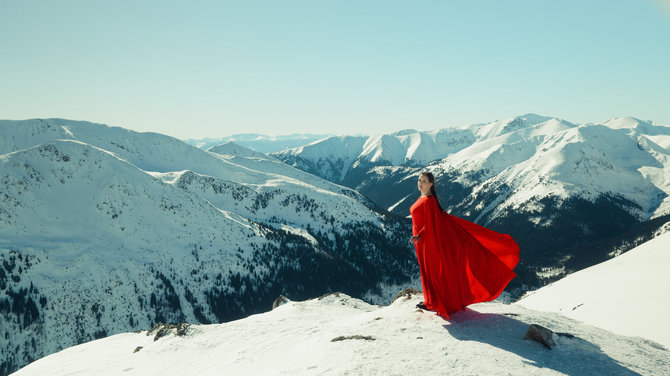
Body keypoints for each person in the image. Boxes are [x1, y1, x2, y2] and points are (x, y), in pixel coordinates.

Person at [410, 171, 520, 318]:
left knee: (432, 270)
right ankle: (431, 300)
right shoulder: (422, 197)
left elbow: (432, 223)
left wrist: (420, 235)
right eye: (419, 180)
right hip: (421, 240)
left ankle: (437, 302)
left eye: (424, 181)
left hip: (427, 240)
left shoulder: (430, 200)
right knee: (426, 270)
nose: (420, 183)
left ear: (431, 184)